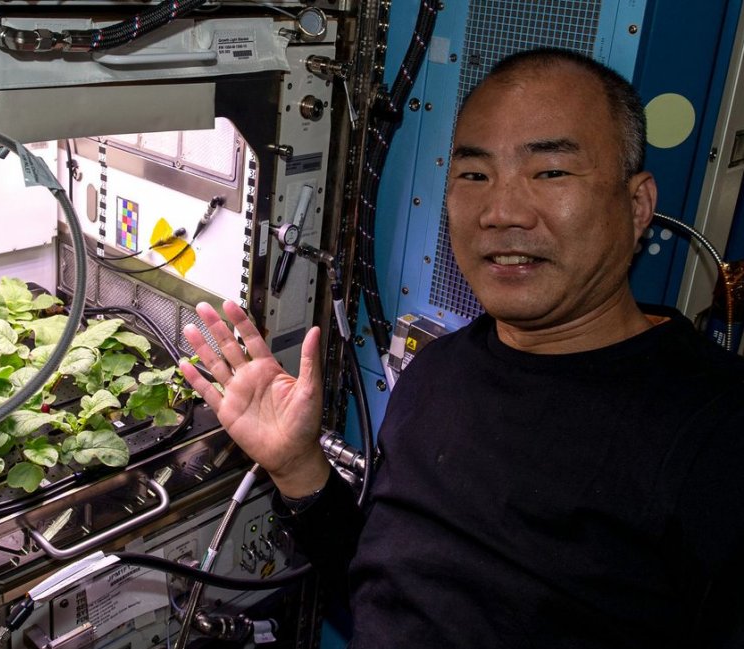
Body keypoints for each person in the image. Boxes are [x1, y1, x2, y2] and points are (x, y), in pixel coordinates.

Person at [179, 47, 744, 648]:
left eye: (550, 172)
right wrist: (298, 471)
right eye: (474, 175)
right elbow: (381, 586)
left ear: (637, 207)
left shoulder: (718, 435)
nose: (500, 213)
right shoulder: (438, 372)